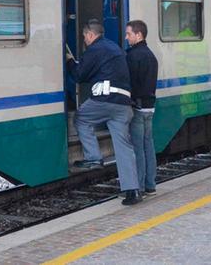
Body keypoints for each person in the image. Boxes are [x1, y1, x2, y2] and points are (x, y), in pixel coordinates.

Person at [67, 19, 142, 205]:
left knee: (81, 118)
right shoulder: (114, 48)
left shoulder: (94, 50)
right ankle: (133, 191)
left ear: (91, 35)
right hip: (124, 104)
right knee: (123, 146)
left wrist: (69, 61)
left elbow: (79, 75)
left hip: (104, 100)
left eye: (85, 36)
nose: (84, 40)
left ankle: (93, 158)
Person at [125, 20, 159, 195]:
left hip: (137, 107)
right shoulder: (150, 55)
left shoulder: (133, 56)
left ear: (138, 35)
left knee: (137, 147)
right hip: (149, 106)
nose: (126, 37)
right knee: (148, 145)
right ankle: (150, 184)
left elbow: (130, 83)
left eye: (129, 34)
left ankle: (137, 187)